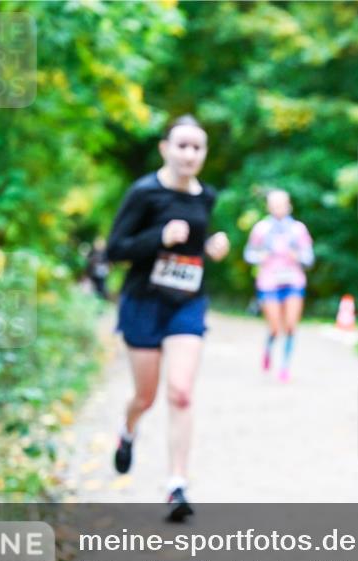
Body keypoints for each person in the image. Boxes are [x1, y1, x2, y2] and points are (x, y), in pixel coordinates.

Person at [106, 114, 230, 522]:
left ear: (204, 153)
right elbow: (115, 250)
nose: (189, 153)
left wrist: (210, 247)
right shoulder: (144, 193)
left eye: (197, 147)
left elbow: (192, 249)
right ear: (165, 148)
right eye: (182, 145)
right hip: (143, 301)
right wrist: (157, 238)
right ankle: (128, 431)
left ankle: (176, 484)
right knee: (146, 396)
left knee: (180, 391)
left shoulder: (205, 197)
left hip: (186, 302)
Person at [244, 189, 314, 382]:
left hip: (293, 281)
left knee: (291, 326)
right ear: (268, 206)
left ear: (289, 205)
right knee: (275, 327)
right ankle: (268, 349)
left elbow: (309, 257)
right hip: (269, 282)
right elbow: (248, 254)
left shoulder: (298, 229)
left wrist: (297, 257)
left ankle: (285, 367)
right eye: (274, 205)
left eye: (281, 204)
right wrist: (260, 257)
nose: (278, 208)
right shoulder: (261, 229)